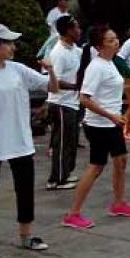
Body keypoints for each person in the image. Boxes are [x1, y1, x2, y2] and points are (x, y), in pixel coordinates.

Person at [0, 24, 59, 258]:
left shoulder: (18, 70)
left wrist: (52, 71)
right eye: (8, 43)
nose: (13, 47)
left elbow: (52, 87)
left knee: (25, 190)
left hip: (20, 141)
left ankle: (26, 236)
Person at [62, 26, 130, 230]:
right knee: (96, 166)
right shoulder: (96, 66)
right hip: (99, 125)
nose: (116, 42)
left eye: (116, 38)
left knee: (121, 161)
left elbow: (109, 88)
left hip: (112, 123)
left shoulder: (110, 63)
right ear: (99, 46)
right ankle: (73, 213)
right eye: (110, 40)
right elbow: (84, 98)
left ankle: (118, 203)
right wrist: (110, 115)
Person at [46, 16, 83, 191]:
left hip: (72, 103)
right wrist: (76, 86)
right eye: (76, 27)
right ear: (68, 31)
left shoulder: (74, 48)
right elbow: (55, 81)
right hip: (61, 103)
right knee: (61, 143)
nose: (79, 30)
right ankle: (56, 179)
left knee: (71, 141)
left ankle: (66, 172)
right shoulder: (58, 53)